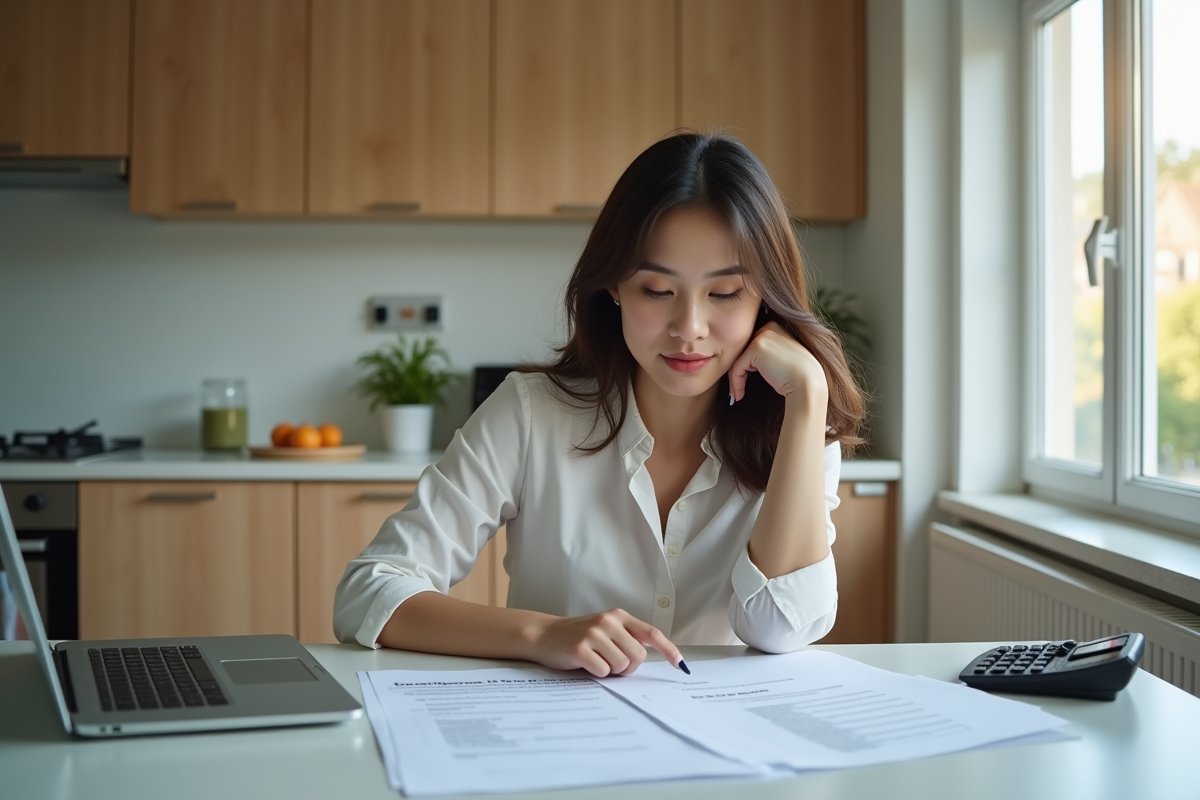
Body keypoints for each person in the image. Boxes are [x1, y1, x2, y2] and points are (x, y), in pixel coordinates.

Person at [333, 132, 867, 677]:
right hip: (563, 745)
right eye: (657, 290)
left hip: (736, 750)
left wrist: (808, 399)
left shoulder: (798, 425)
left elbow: (781, 627)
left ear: (766, 298)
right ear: (613, 286)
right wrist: (540, 634)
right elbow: (367, 592)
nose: (689, 329)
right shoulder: (530, 414)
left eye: (726, 293)